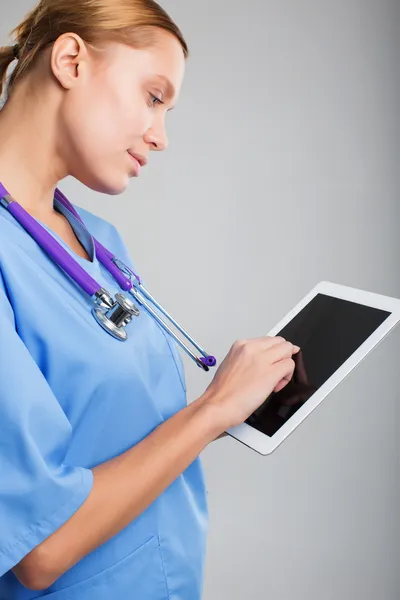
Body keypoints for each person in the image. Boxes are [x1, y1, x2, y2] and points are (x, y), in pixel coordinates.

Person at [0, 1, 299, 598]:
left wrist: (235, 401)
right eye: (154, 97)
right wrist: (211, 411)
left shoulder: (98, 242)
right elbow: (37, 548)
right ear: (70, 61)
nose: (160, 137)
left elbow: (122, 432)